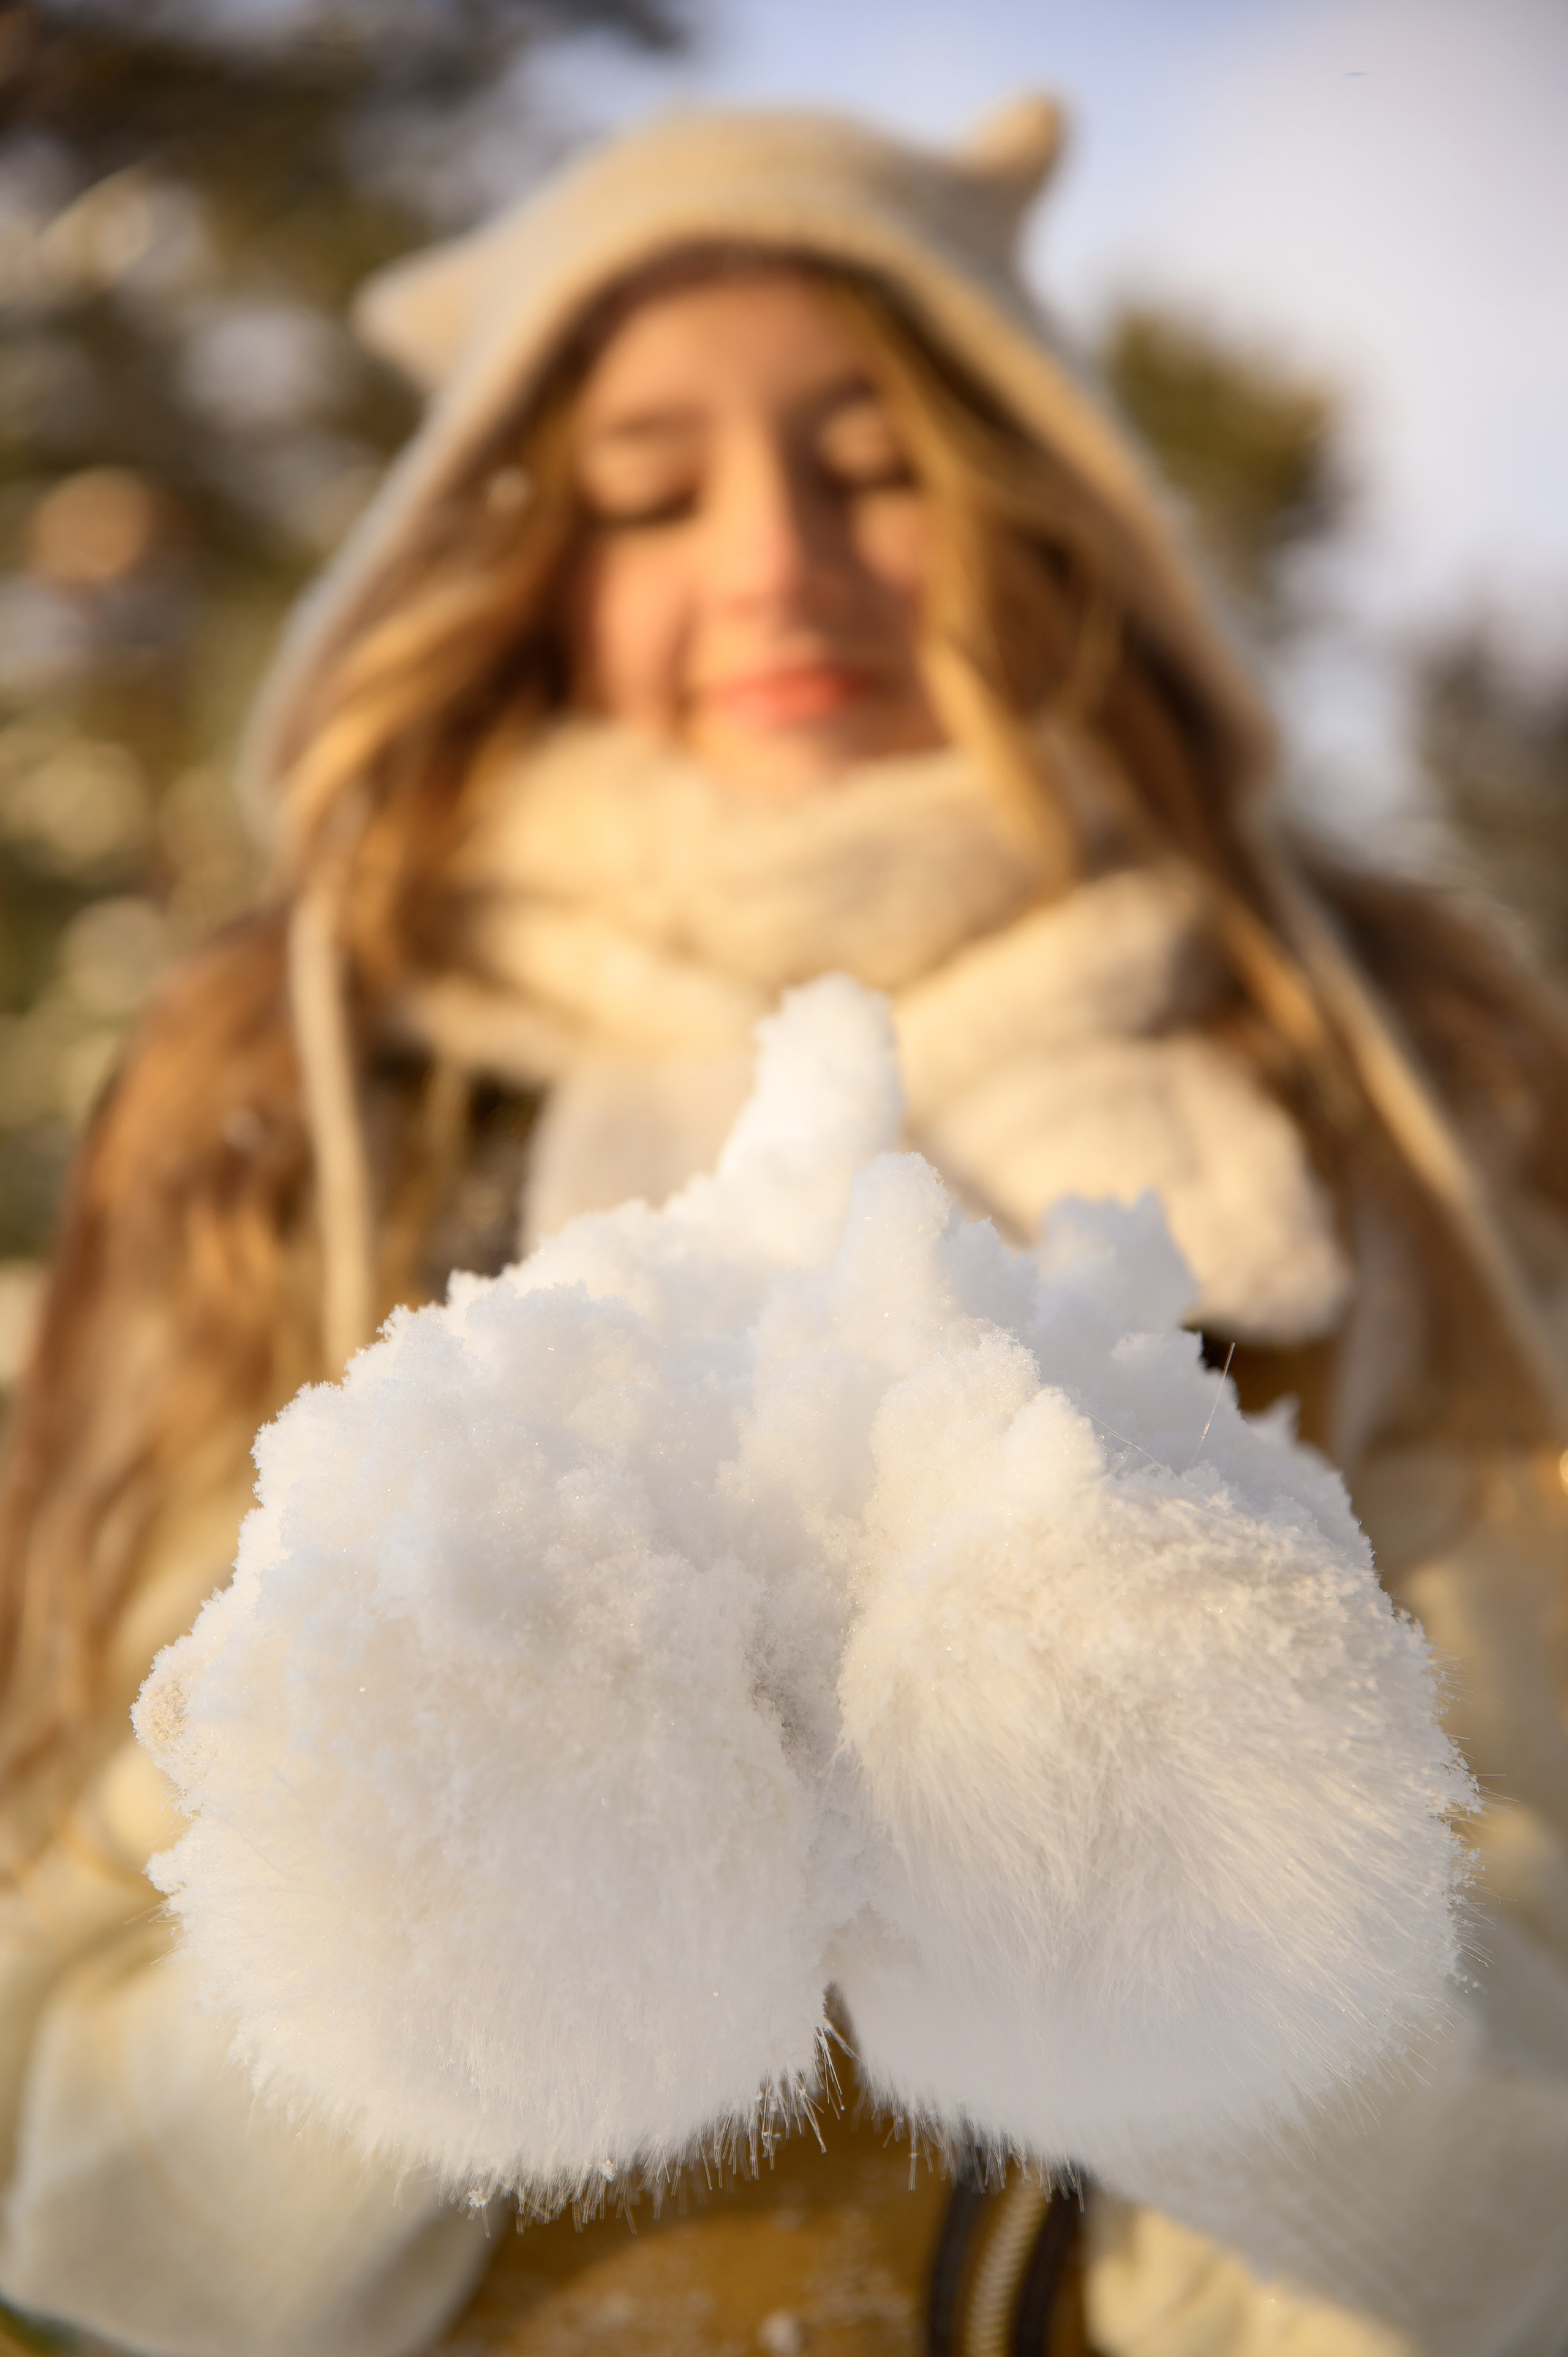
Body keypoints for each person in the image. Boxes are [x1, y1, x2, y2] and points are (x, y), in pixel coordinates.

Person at [0, 91, 1565, 2357]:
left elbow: (1534, 2186)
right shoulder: (314, 1116)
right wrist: (438, 1938)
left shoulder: (1384, 1101)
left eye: (871, 460)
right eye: (648, 491)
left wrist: (1214, 1952)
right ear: (518, 564)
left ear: (1042, 496)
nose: (772, 562)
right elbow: (60, 2156)